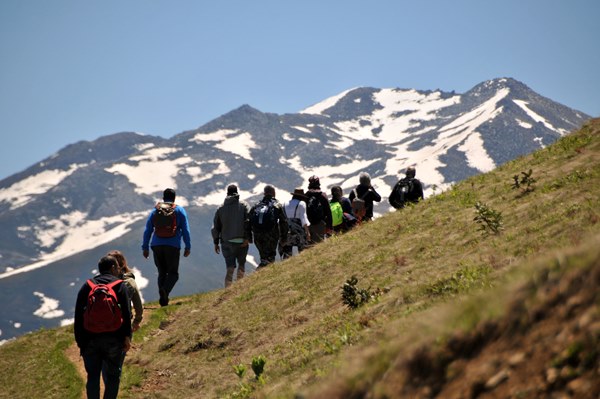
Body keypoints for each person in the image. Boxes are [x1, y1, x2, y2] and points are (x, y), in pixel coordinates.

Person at [74, 255, 132, 399]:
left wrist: (81, 342)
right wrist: (127, 338)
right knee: (113, 376)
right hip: (114, 339)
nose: (119, 270)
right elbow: (126, 314)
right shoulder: (120, 285)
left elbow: (78, 316)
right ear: (112, 268)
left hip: (90, 340)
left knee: (92, 376)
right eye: (117, 267)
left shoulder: (87, 286)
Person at [142, 188, 191, 306]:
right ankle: (165, 291)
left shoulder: (156, 210)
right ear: (174, 198)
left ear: (163, 198)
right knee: (173, 274)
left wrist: (145, 247)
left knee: (162, 273)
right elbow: (185, 230)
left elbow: (148, 229)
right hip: (173, 245)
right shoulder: (179, 210)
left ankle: (163, 300)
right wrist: (187, 246)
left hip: (156, 245)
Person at [211, 184, 252, 287]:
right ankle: (239, 288)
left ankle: (227, 290)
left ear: (227, 193)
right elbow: (249, 221)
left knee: (230, 268)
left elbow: (215, 227)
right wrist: (247, 238)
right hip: (241, 242)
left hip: (226, 243)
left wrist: (216, 242)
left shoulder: (220, 208)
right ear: (237, 193)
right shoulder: (244, 206)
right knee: (241, 265)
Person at [250, 185, 288, 268]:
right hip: (271, 235)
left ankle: (262, 277)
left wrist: (249, 236)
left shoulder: (256, 205)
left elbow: (248, 221)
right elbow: (283, 222)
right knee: (270, 258)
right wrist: (284, 237)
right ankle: (261, 275)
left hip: (258, 235)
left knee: (263, 258)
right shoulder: (277, 205)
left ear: (264, 193)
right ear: (273, 193)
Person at [107, 250, 143, 332]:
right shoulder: (129, 281)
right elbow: (138, 305)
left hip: (105, 321)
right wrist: (136, 321)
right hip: (124, 320)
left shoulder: (102, 282)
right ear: (123, 263)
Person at [280, 188, 311, 259]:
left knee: (287, 253)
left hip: (287, 232)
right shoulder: (302, 204)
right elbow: (304, 219)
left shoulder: (284, 204)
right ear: (301, 197)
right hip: (299, 232)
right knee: (303, 252)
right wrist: (308, 232)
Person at [305, 175, 333, 243]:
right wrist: (329, 227)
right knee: (320, 245)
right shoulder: (322, 195)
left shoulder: (306, 195)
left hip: (308, 225)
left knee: (310, 246)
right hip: (320, 224)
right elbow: (328, 212)